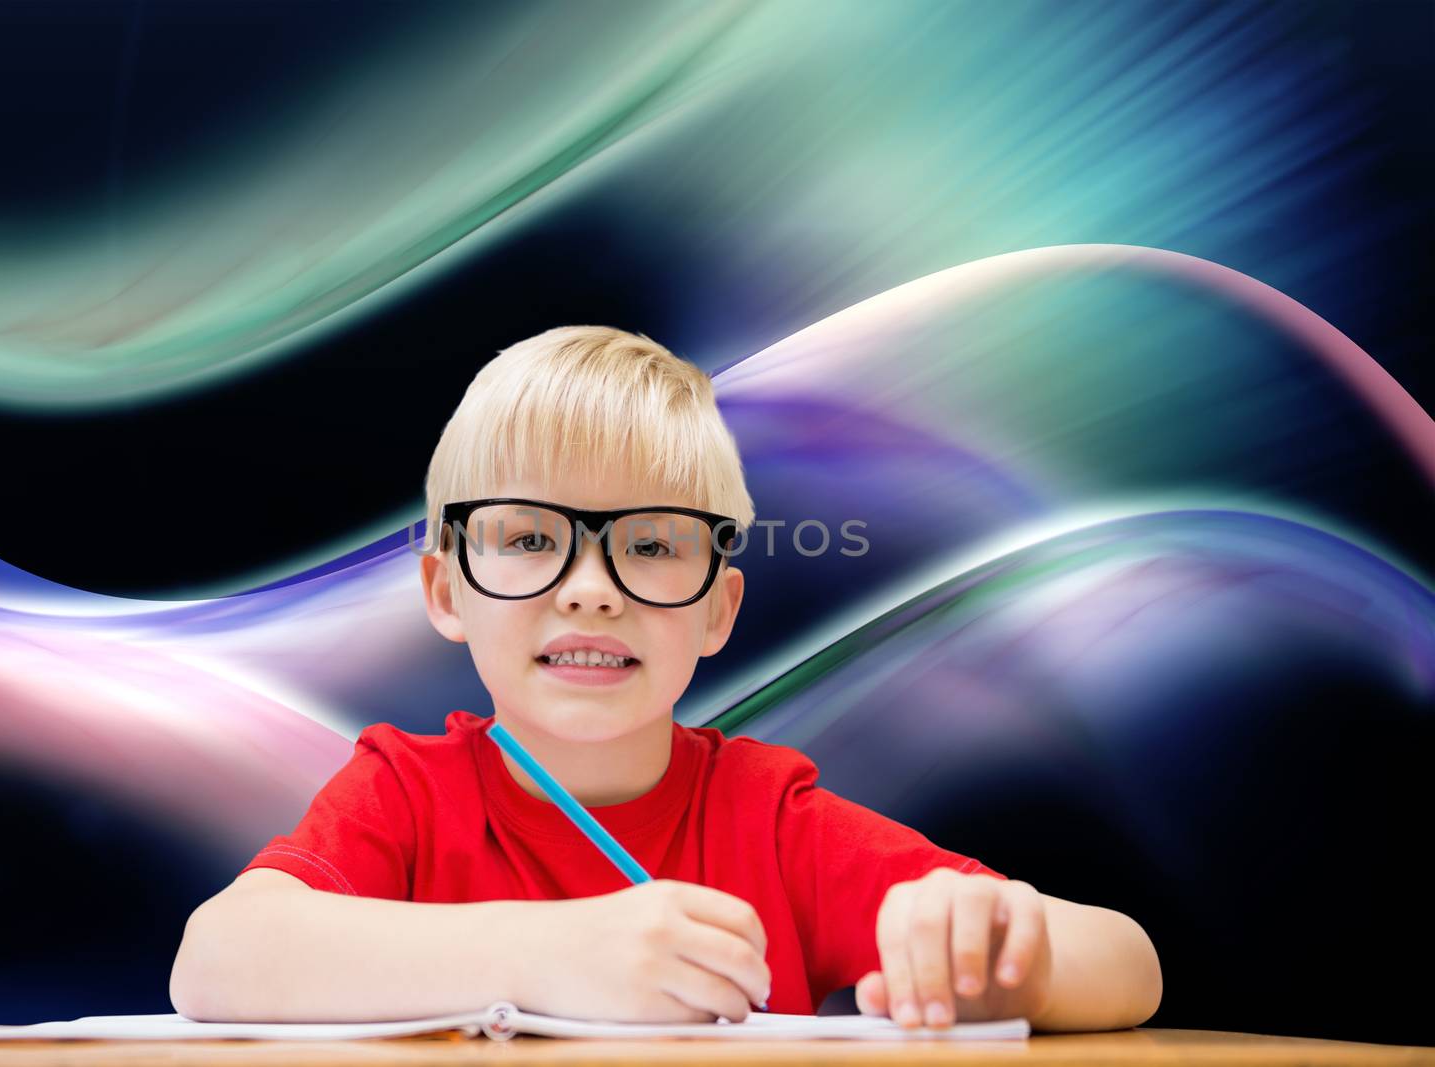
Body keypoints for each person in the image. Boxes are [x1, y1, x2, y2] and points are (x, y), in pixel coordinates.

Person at [168, 326, 1162, 1030]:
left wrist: (1001, 959)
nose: (591, 589)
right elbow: (216, 958)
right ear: (445, 586)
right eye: (527, 536)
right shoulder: (405, 794)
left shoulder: (770, 820)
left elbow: (1129, 962)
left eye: (649, 543)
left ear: (718, 607)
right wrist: (549, 955)